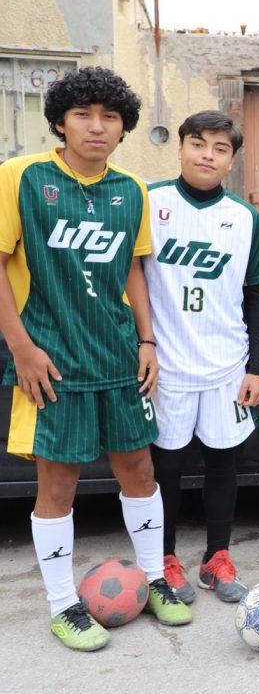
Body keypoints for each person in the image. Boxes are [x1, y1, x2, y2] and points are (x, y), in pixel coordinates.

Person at [0, 66, 190, 651]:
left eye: (109, 116)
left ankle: (154, 579)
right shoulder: (20, 177)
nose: (96, 126)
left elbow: (132, 268)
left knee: (140, 471)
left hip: (118, 358)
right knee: (58, 484)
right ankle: (64, 606)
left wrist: (147, 342)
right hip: (51, 362)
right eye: (82, 114)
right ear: (60, 122)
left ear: (123, 127)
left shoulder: (131, 190)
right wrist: (22, 348)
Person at [143, 111, 259, 604]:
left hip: (227, 365)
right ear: (180, 148)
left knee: (223, 463)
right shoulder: (149, 202)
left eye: (220, 149)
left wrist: (257, 366)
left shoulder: (244, 218)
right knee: (166, 468)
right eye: (198, 143)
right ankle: (164, 560)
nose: (207, 155)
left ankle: (217, 558)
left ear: (231, 160)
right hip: (167, 366)